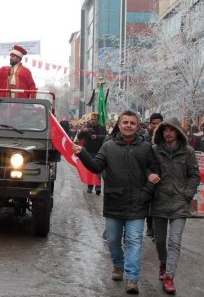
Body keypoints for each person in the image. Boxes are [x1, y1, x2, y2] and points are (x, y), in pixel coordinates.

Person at [72, 110, 160, 294]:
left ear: (137, 126)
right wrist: (83, 153)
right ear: (119, 125)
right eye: (125, 122)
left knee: (134, 240)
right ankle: (118, 265)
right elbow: (96, 166)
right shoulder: (108, 146)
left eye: (132, 123)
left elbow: (154, 172)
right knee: (112, 240)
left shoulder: (145, 148)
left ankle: (132, 277)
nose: (128, 125)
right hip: (114, 202)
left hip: (138, 204)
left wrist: (145, 194)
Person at [150, 117, 200, 294]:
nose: (168, 133)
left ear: (178, 131)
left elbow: (195, 175)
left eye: (171, 130)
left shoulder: (189, 152)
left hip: (180, 202)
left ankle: (169, 276)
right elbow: (147, 170)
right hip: (159, 202)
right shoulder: (155, 150)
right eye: (165, 130)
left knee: (175, 241)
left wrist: (188, 194)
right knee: (160, 240)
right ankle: (163, 264)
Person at [145, 112, 163, 238]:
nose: (156, 126)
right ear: (150, 124)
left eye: (159, 123)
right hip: (148, 175)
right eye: (154, 123)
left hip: (162, 174)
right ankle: (150, 226)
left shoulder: (166, 136)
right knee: (148, 202)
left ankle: (157, 229)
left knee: (159, 203)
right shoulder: (145, 138)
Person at [79, 112, 107, 195]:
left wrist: (97, 137)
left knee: (98, 170)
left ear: (98, 120)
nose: (93, 121)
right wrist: (83, 131)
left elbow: (106, 137)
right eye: (92, 119)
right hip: (88, 151)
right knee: (89, 170)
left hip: (99, 152)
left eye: (94, 119)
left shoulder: (101, 128)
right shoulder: (87, 127)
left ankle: (98, 187)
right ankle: (90, 186)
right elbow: (79, 136)